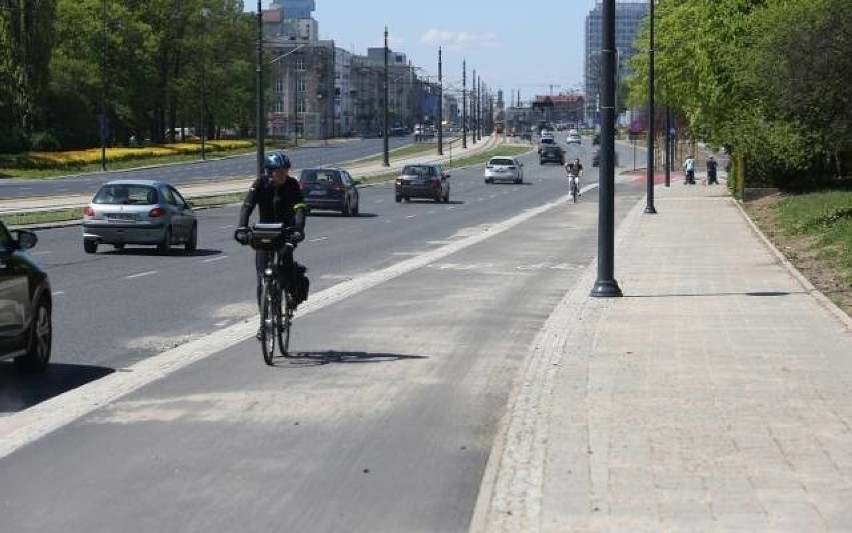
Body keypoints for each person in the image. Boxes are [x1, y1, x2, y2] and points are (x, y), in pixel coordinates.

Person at [233, 151, 308, 331]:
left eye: (285, 171)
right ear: (270, 172)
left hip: (286, 233)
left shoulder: (292, 185)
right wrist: (242, 228)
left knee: (286, 270)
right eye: (279, 171)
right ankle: (264, 321)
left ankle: (290, 298)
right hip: (263, 234)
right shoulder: (260, 184)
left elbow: (300, 208)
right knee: (261, 279)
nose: (283, 174)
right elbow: (247, 206)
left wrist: (298, 229)